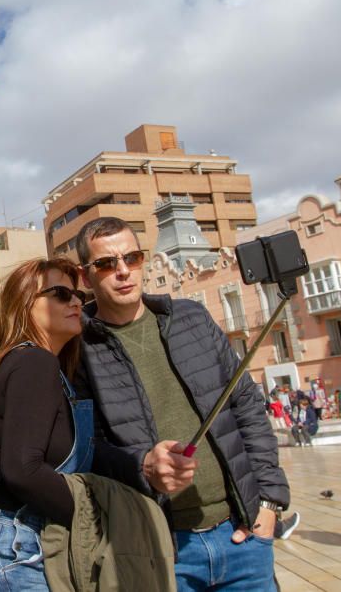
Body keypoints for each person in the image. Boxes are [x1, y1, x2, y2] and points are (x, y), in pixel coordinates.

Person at [73, 217, 289, 592]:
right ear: (85, 276)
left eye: (133, 258)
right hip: (158, 549)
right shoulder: (77, 349)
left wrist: (269, 504)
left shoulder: (192, 318)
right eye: (106, 264)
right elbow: (81, 449)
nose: (123, 271)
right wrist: (142, 465)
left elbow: (247, 408)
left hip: (241, 537)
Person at [0, 258, 93, 591]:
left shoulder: (27, 365)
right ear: (26, 304)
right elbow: (21, 469)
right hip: (10, 547)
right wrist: (92, 511)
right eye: (60, 293)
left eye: (79, 296)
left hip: (9, 544)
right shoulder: (34, 362)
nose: (75, 302)